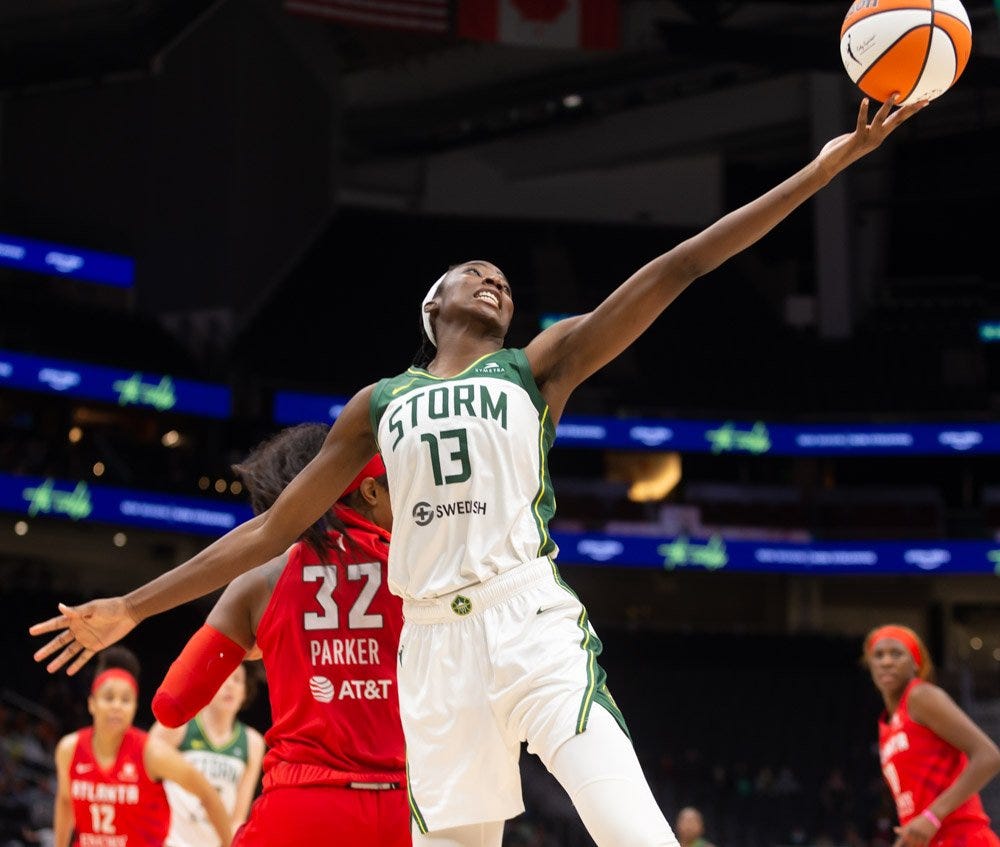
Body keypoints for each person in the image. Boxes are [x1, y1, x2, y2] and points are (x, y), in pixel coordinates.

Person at [31, 95, 926, 847]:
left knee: (635, 830)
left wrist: (824, 168)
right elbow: (273, 529)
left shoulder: (539, 366)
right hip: (433, 650)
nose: (494, 279)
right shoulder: (378, 402)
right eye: (473, 272)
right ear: (435, 307)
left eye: (502, 278)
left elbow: (681, 265)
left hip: (528, 622)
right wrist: (133, 606)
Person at [150, 423, 408, 847]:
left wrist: (276, 637)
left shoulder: (260, 581)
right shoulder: (418, 574)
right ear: (369, 491)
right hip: (406, 808)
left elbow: (172, 704)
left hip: (302, 805)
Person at [52, 646, 232, 847]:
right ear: (92, 703)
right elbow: (65, 801)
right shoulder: (69, 749)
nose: (117, 706)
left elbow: (208, 794)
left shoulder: (152, 753)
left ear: (134, 707)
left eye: (126, 700)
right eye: (109, 698)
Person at [864, 625, 1000, 847]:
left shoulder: (920, 696)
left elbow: (989, 756)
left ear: (916, 663)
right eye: (878, 655)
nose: (886, 662)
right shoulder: (887, 726)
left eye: (896, 654)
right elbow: (918, 809)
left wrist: (932, 816)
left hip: (963, 838)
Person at [149, 662, 265, 847]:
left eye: (237, 680)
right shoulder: (177, 726)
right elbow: (144, 775)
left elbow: (238, 817)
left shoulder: (253, 742)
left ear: (245, 692)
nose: (230, 685)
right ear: (208, 685)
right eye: (224, 678)